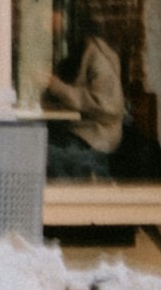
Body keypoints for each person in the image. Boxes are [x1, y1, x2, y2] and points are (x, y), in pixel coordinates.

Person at [41, 12, 129, 172]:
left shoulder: (96, 55)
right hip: (76, 133)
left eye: (48, 15)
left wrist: (57, 86)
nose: (45, 25)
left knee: (40, 156)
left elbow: (109, 107)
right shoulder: (70, 51)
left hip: (94, 140)